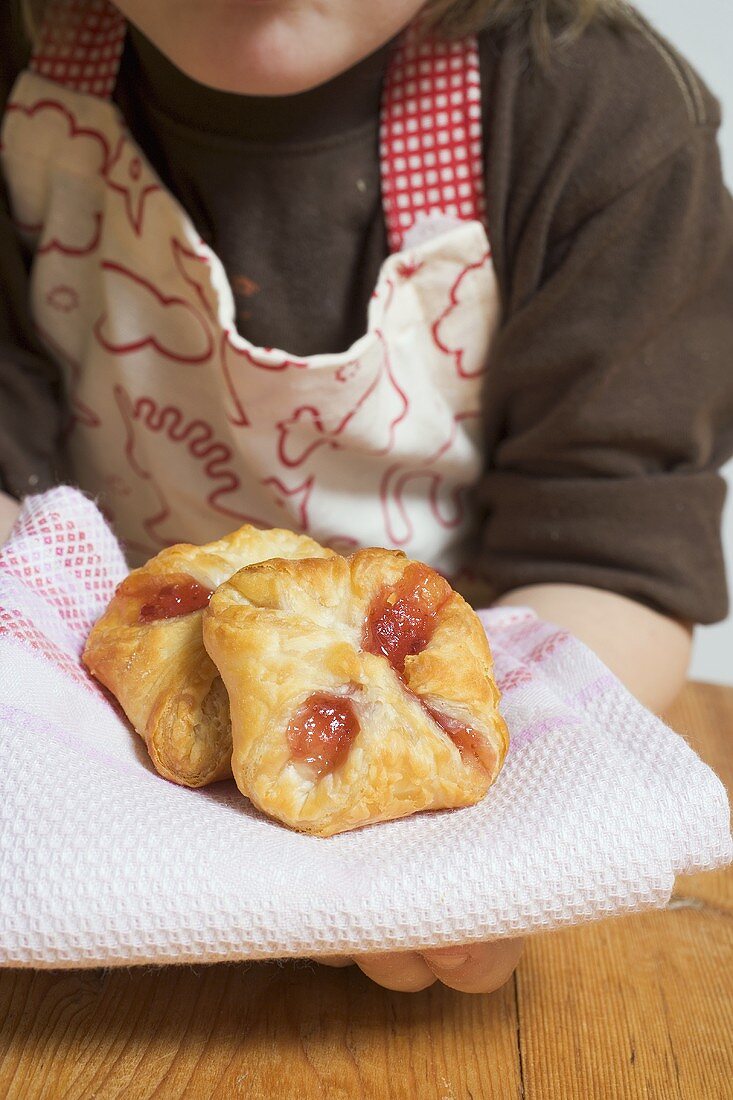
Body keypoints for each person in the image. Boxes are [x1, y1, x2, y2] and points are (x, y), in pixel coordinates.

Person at [0, 0, 731, 994]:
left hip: (425, 822)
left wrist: (464, 853)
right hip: (90, 812)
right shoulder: (24, 75)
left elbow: (607, 566)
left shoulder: (591, 121)